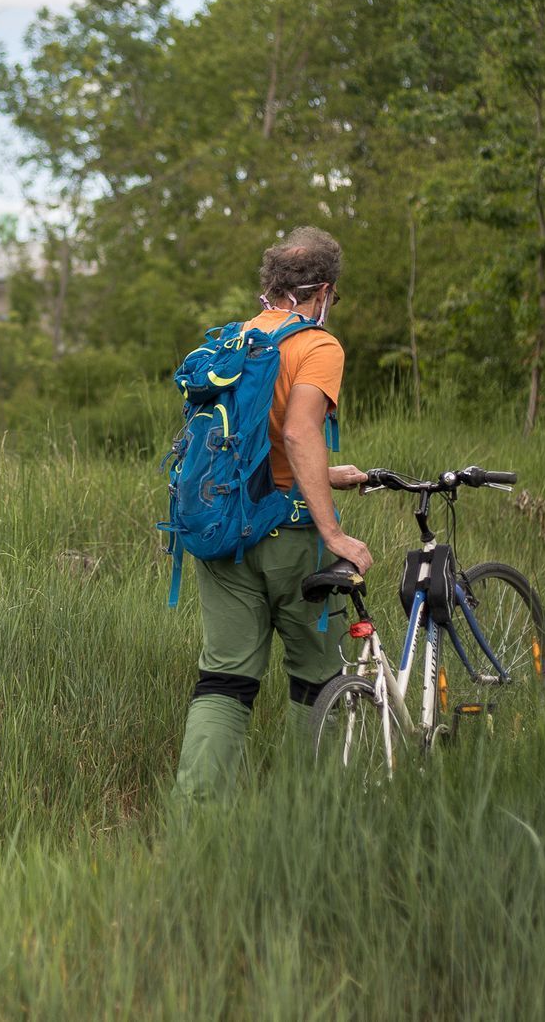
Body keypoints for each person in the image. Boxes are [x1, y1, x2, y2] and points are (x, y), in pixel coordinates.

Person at [172, 226, 372, 802]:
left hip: (225, 530)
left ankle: (197, 819)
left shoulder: (237, 341)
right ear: (326, 289)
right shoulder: (316, 344)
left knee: (225, 681)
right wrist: (332, 530)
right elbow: (298, 429)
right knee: (319, 679)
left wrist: (324, 476)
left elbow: (256, 444)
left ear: (271, 283)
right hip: (289, 536)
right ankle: (308, 814)